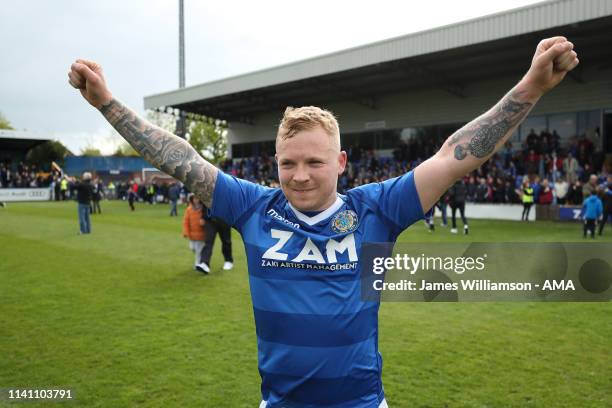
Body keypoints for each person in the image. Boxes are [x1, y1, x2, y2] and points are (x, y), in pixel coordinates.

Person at [69, 36, 578, 407]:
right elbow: (181, 160)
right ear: (275, 163)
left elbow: (457, 154)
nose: (300, 175)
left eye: (315, 162)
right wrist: (108, 105)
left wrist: (532, 85)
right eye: (288, 163)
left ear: (340, 163)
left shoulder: (377, 209)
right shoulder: (252, 207)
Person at [198, 206, 234, 273]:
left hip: (224, 219)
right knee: (208, 242)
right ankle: (204, 263)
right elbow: (204, 202)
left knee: (226, 241)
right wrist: (203, 217)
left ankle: (228, 261)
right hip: (210, 220)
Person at [183, 194, 208, 272]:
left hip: (201, 235)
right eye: (194, 198)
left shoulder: (203, 209)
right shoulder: (189, 209)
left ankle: (197, 264)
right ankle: (200, 261)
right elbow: (185, 221)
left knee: (198, 251)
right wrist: (186, 232)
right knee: (192, 248)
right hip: (191, 235)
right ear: (192, 199)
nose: (196, 200)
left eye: (197, 198)